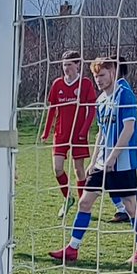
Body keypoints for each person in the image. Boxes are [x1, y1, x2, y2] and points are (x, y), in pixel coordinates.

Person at [50, 56, 137, 267]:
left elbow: (128, 129)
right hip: (103, 164)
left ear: (113, 72)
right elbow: (101, 134)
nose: (99, 80)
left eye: (102, 75)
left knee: (131, 206)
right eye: (96, 76)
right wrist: (94, 161)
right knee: (85, 202)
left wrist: (113, 157)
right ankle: (72, 248)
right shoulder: (101, 100)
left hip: (123, 163)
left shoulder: (125, 94)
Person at [42, 50, 98, 218]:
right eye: (64, 65)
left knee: (79, 169)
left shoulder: (85, 83)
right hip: (61, 134)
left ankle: (83, 205)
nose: (66, 68)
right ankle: (68, 198)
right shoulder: (57, 84)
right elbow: (52, 110)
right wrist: (46, 131)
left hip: (78, 134)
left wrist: (84, 131)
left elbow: (92, 109)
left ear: (77, 65)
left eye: (69, 65)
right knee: (57, 168)